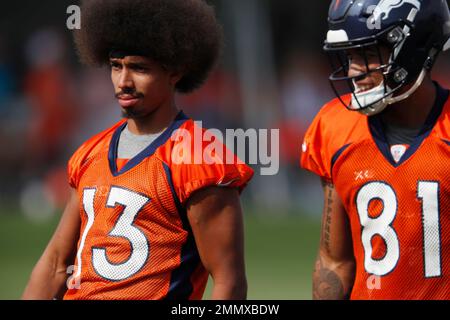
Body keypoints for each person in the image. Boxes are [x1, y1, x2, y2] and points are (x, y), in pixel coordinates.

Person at [23, 0, 253, 300]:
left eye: (139, 68)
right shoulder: (91, 152)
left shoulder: (199, 158)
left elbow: (228, 282)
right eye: (116, 67)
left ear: (176, 71)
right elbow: (56, 263)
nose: (124, 81)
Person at [301, 0, 450, 299]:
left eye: (368, 54)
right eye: (351, 55)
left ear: (413, 48)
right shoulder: (335, 128)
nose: (355, 70)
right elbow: (335, 261)